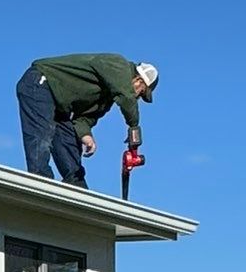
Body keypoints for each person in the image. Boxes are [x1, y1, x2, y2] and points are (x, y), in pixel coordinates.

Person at [15, 51, 158, 186]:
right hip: (41, 82)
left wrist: (86, 135)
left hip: (60, 104)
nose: (138, 98)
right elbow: (126, 96)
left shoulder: (106, 99)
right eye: (141, 93)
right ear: (138, 80)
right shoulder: (119, 65)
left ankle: (76, 188)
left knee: (69, 141)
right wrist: (134, 127)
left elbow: (84, 119)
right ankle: (41, 183)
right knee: (41, 137)